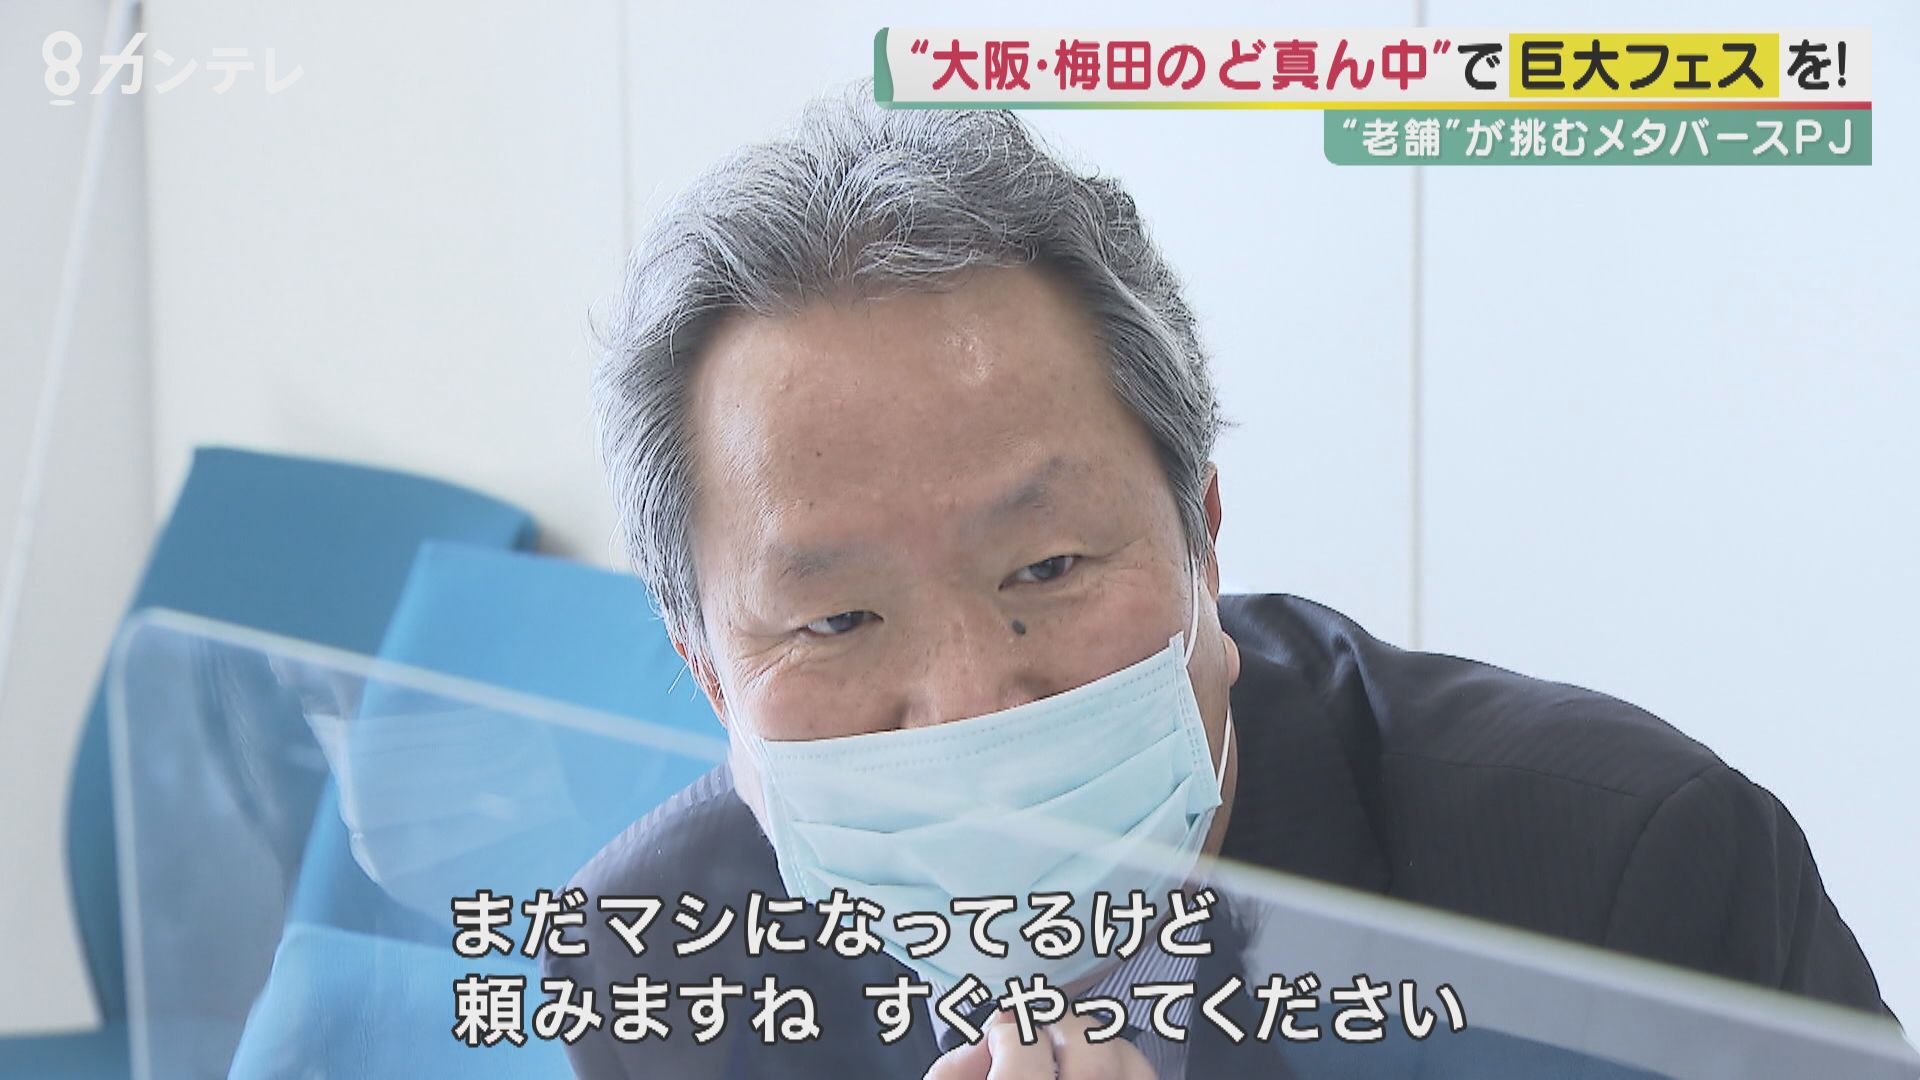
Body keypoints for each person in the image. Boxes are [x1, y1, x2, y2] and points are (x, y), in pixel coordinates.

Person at [547, 85, 1890, 1079]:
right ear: (707, 671)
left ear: (1203, 534)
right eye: (838, 618)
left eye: (1047, 567)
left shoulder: (1623, 872)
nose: (970, 706)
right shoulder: (655, 957)